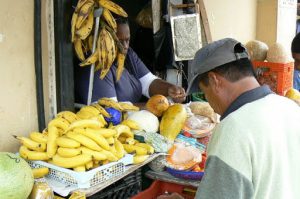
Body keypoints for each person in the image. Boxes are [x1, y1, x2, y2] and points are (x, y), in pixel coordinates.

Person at [185, 38, 300, 198]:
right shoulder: (291, 108)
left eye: (205, 92)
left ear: (214, 80)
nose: (208, 101)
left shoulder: (233, 128)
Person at [74, 17, 186, 104]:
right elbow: (111, 111)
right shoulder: (97, 66)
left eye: (127, 40)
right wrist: (150, 106)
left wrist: (170, 89)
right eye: (119, 41)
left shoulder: (128, 55)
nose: (125, 46)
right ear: (105, 39)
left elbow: (149, 83)